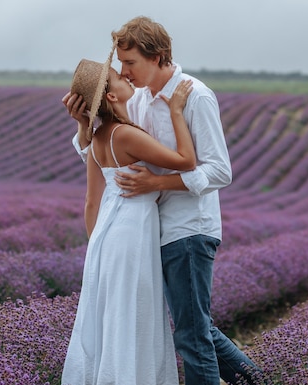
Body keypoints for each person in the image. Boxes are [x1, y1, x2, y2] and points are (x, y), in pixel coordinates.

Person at [63, 16, 261, 385]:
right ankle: (257, 379)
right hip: (149, 230)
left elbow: (220, 171)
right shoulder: (137, 101)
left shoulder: (194, 96)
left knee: (190, 331)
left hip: (188, 227)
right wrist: (83, 123)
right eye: (121, 65)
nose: (124, 71)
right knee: (193, 326)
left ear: (158, 56)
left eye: (130, 63)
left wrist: (158, 181)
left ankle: (256, 379)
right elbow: (111, 160)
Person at [60, 50, 197, 384]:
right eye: (119, 78)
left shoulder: (95, 139)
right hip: (131, 234)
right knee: (135, 316)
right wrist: (176, 112)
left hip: (106, 238)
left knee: (114, 317)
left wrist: (97, 252)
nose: (125, 76)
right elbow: (187, 161)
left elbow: (92, 203)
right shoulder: (126, 134)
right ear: (110, 95)